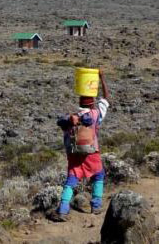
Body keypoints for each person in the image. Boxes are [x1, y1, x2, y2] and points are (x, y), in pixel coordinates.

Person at [52, 70, 110, 221]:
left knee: (71, 181)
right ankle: (96, 205)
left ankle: (63, 210)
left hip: (74, 155)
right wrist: (102, 78)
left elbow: (60, 123)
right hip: (92, 153)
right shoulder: (95, 115)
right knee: (98, 175)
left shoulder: (71, 118)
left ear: (79, 102)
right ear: (92, 102)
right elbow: (106, 98)